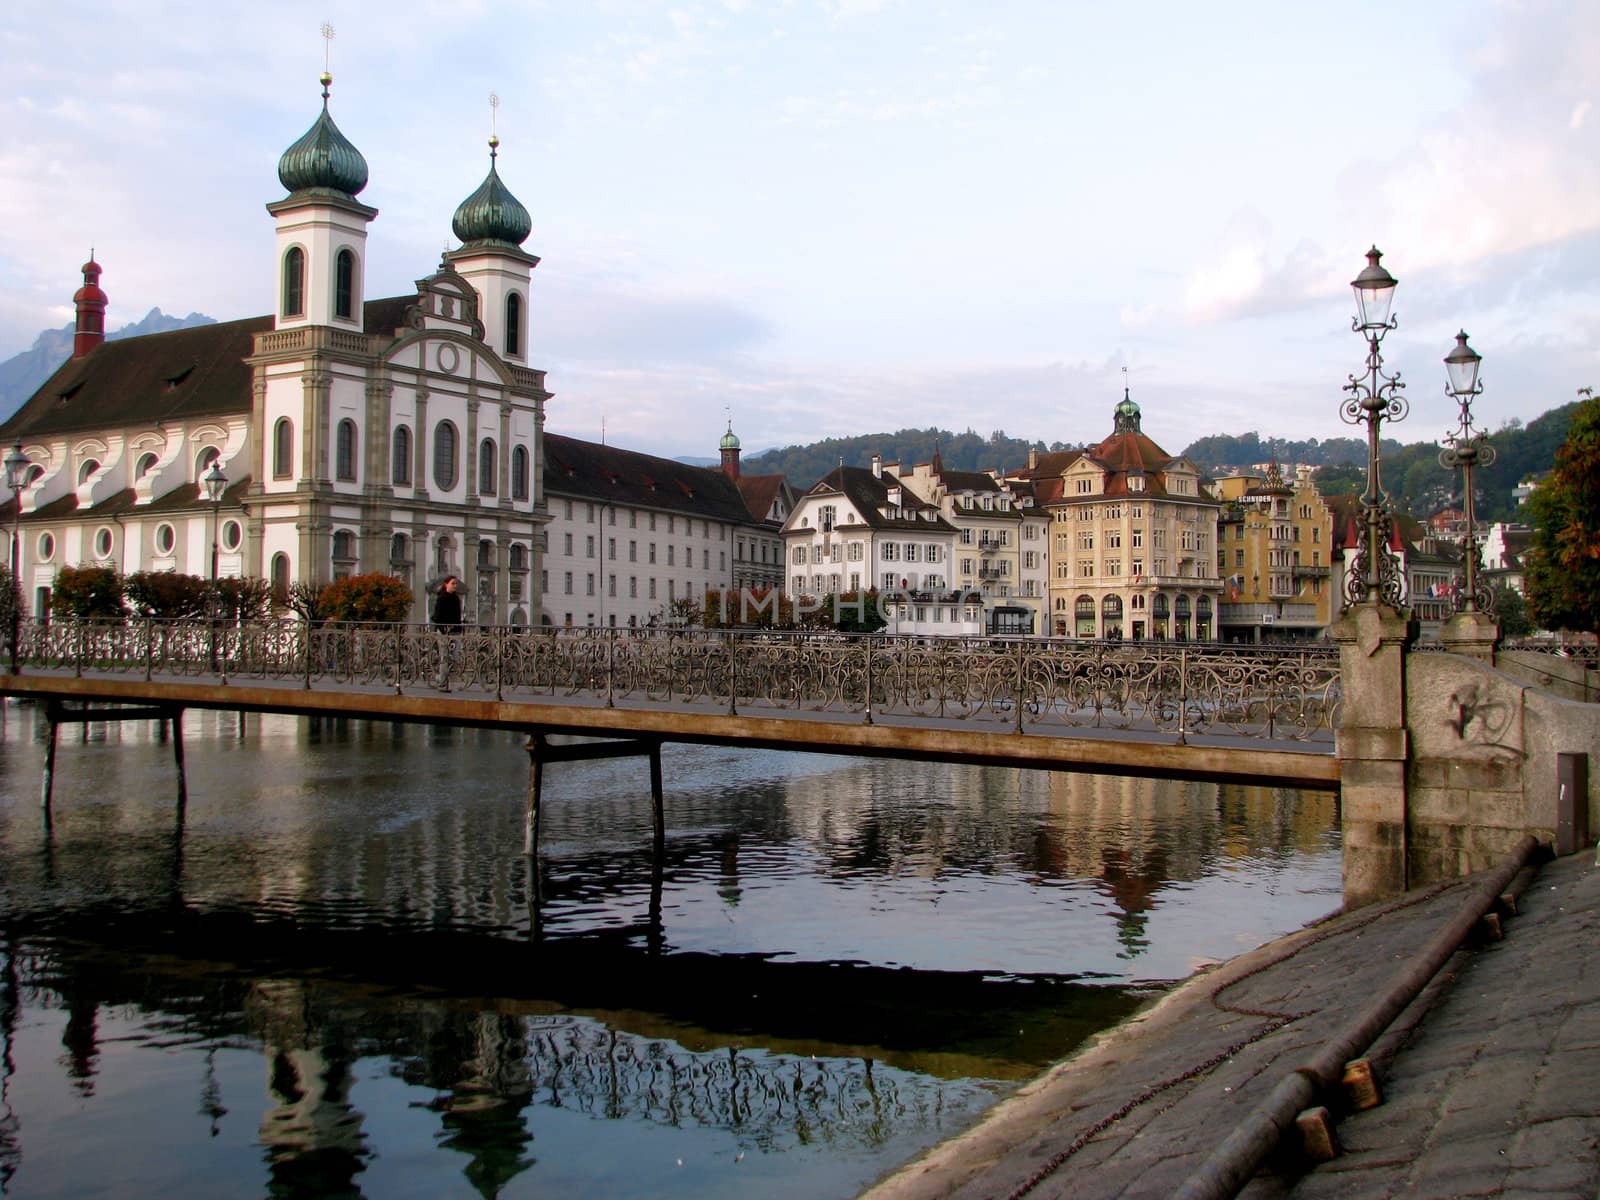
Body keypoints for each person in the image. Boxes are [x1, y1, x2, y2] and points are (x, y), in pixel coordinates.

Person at [431, 575, 463, 687]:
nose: (455, 585)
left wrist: (460, 625)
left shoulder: (456, 598)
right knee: (444, 656)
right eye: (453, 583)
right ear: (446, 584)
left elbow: (457, 615)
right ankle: (442, 681)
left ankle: (442, 677)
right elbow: (436, 616)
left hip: (455, 631)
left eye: (456, 583)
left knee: (455, 656)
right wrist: (442, 629)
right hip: (444, 631)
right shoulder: (442, 598)